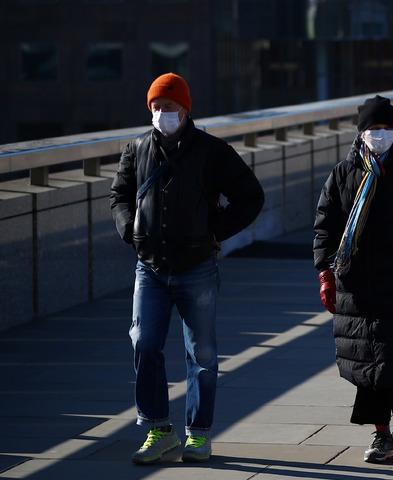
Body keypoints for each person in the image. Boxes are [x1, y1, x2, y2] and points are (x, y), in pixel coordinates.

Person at [109, 73, 265, 464]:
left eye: (170, 107)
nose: (163, 113)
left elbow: (250, 196)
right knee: (144, 344)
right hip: (151, 267)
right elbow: (120, 196)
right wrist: (131, 230)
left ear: (186, 109)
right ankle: (158, 430)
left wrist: (216, 230)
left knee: (202, 354)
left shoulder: (211, 151)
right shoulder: (137, 149)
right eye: (157, 107)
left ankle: (198, 434)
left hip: (196, 266)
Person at [313, 95, 393, 465]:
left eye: (387, 129)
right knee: (366, 366)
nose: (380, 135)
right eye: (374, 129)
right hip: (356, 287)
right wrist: (325, 272)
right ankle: (380, 434)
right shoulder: (343, 174)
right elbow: (325, 226)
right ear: (361, 133)